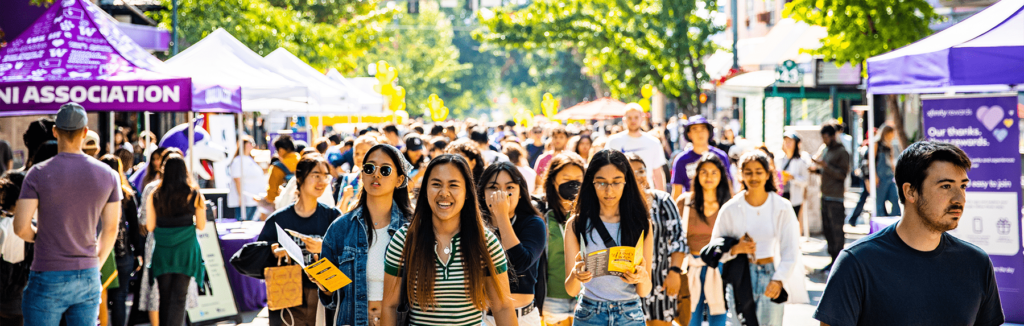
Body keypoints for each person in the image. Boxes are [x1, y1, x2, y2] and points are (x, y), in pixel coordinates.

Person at [814, 141, 1005, 326]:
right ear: (910, 192)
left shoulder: (977, 263)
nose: (959, 198)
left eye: (963, 186)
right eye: (946, 186)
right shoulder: (857, 263)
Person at [13, 103, 123, 326]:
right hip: (88, 272)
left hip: (47, 272)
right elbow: (111, 229)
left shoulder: (37, 174)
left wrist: (40, 236)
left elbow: (20, 227)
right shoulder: (109, 175)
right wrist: (95, 263)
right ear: (84, 132)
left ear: (55, 131)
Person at [380, 154, 517, 326]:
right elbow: (389, 306)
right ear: (425, 190)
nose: (444, 193)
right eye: (436, 184)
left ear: (467, 192)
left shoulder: (486, 242)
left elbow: (503, 307)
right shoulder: (405, 239)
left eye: (453, 185)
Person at [318, 144, 413, 326]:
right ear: (362, 174)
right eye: (369, 168)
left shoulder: (412, 229)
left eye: (385, 170)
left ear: (400, 180)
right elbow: (331, 301)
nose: (376, 174)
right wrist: (326, 289)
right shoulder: (341, 228)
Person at [563, 149, 654, 326]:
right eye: (601, 183)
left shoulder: (642, 224)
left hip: (629, 315)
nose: (609, 190)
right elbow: (570, 289)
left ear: (626, 182)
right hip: (589, 314)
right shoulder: (576, 224)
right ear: (591, 183)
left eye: (616, 182)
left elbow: (644, 290)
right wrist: (576, 275)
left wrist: (641, 277)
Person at [711, 151, 801, 326]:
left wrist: (779, 279)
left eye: (759, 172)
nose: (754, 177)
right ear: (741, 175)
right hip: (740, 276)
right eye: (748, 172)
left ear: (768, 174)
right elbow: (715, 247)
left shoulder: (782, 207)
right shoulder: (730, 209)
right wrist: (736, 248)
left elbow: (790, 248)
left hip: (770, 276)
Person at [258, 155, 342, 326]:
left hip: (324, 297)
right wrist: (274, 251)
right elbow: (259, 255)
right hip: (287, 299)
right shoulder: (279, 220)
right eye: (316, 175)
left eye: (325, 176)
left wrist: (323, 247)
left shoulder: (333, 217)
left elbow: (347, 253)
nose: (322, 181)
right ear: (300, 177)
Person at [477, 162, 546, 325]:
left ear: (520, 192)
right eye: (493, 187)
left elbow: (520, 263)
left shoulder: (533, 223)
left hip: (523, 317)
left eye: (509, 188)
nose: (501, 193)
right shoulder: (475, 225)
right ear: (482, 193)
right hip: (483, 317)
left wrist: (501, 216)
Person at [145, 153, 206, 326]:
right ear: (184, 171)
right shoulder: (194, 194)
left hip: (163, 250)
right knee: (180, 297)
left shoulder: (155, 194)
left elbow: (150, 226)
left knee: (164, 297)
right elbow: (201, 225)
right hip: (186, 249)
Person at [625, 153, 686, 326]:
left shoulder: (663, 200)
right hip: (629, 282)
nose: (638, 175)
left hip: (662, 278)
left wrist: (675, 271)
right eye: (631, 171)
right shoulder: (617, 205)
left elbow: (678, 238)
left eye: (641, 170)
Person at [678, 153, 731, 326]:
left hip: (720, 268)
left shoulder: (729, 205)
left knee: (718, 319)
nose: (709, 177)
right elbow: (673, 238)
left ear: (721, 175)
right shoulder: (684, 202)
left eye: (714, 172)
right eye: (704, 172)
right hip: (689, 268)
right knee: (690, 320)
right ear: (697, 175)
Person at [539, 153, 585, 326]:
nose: (573, 184)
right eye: (566, 178)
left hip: (585, 295)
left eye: (578, 179)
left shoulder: (591, 213)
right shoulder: (540, 212)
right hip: (552, 298)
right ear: (553, 180)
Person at [98, 155, 141, 326]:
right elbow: (135, 227)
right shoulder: (127, 194)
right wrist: (138, 252)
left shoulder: (96, 193)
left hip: (102, 252)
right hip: (123, 253)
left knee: (102, 295)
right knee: (120, 297)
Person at [810, 124, 850, 271]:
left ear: (833, 136)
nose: (824, 140)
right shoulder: (826, 150)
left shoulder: (842, 152)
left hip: (836, 198)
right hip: (825, 196)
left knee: (836, 231)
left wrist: (825, 166)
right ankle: (832, 260)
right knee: (827, 231)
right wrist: (817, 170)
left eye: (826, 137)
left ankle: (840, 263)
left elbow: (842, 174)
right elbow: (827, 172)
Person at [606, 103, 668, 192]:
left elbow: (657, 173)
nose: (633, 120)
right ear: (624, 119)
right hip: (619, 193)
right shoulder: (613, 141)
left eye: (636, 117)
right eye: (629, 117)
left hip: (646, 193)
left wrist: (662, 197)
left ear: (642, 119)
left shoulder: (654, 142)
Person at [670, 115, 732, 200]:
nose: (700, 133)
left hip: (717, 206)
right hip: (691, 208)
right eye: (695, 129)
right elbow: (676, 193)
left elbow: (729, 187)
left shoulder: (721, 156)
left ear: (708, 132)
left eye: (703, 128)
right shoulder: (681, 160)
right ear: (689, 134)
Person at [337, 134, 384, 213]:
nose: (359, 157)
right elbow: (339, 215)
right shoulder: (348, 179)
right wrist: (345, 199)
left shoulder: (383, 180)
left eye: (364, 153)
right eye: (357, 153)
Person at [776, 133, 810, 228]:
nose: (787, 144)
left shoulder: (801, 161)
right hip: (781, 195)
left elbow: (805, 181)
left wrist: (793, 178)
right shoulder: (779, 159)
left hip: (794, 197)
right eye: (786, 141)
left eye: (790, 142)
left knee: (792, 223)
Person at [228, 136, 265, 221]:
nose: (252, 145)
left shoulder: (250, 159)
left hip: (253, 199)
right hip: (245, 199)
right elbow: (237, 179)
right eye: (250, 143)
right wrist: (240, 196)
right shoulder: (238, 160)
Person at [261, 134, 300, 210]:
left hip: (284, 207)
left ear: (281, 150)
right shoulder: (303, 162)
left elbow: (271, 195)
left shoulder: (278, 167)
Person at [873, 125, 901, 217]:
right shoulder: (877, 144)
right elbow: (871, 161)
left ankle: (894, 220)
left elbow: (891, 160)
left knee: (895, 199)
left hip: (889, 176)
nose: (892, 136)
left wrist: (896, 174)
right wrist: (874, 176)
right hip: (880, 176)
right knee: (880, 202)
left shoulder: (890, 145)